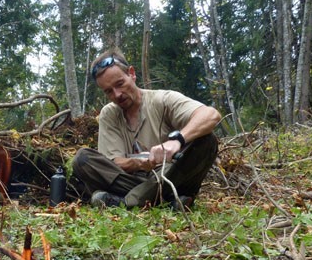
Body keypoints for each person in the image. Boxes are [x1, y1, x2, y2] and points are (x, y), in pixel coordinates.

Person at [72, 48, 221, 209]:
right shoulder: (109, 114)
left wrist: (178, 140)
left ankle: (129, 202)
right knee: (83, 159)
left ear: (132, 74)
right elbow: (113, 163)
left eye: (120, 84)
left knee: (207, 140)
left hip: (171, 176)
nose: (117, 94)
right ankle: (167, 202)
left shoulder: (162, 100)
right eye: (109, 91)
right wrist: (138, 164)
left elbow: (211, 115)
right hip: (132, 181)